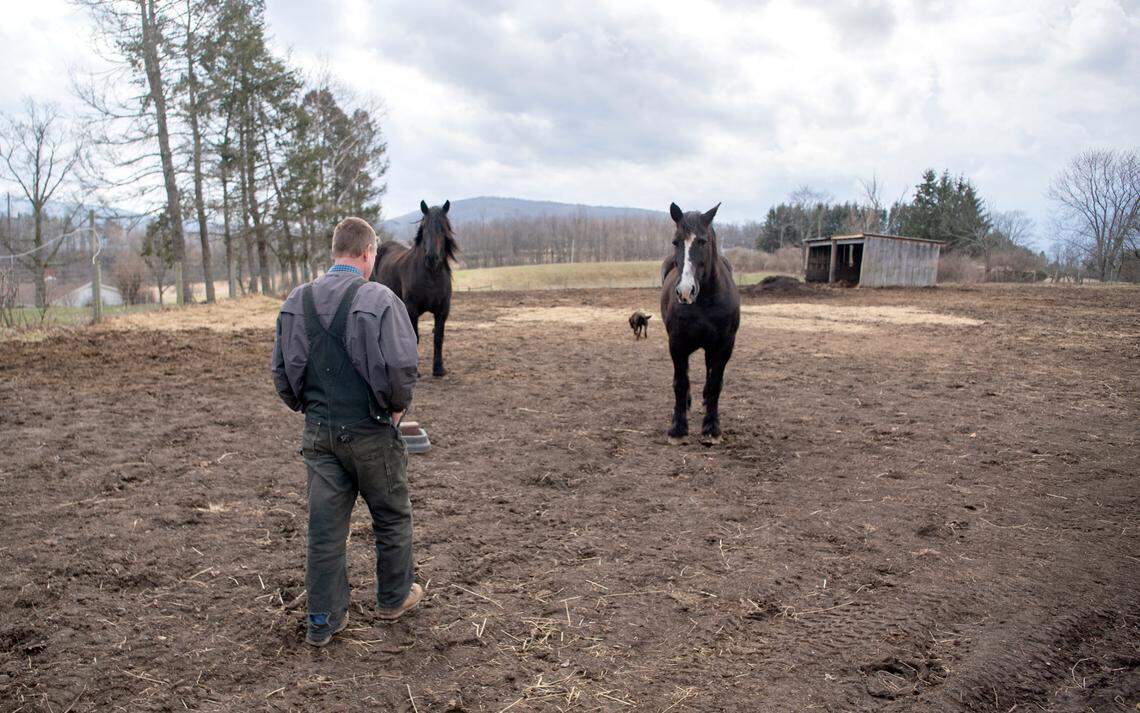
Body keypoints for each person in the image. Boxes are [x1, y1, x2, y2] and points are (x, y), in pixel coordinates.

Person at [271, 217, 423, 647]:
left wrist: (311, 409)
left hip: (319, 435)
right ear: (368, 253)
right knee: (391, 515)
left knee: (324, 528)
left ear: (335, 252)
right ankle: (393, 599)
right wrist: (395, 410)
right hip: (372, 431)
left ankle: (322, 619)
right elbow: (400, 367)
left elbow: (282, 373)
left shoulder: (296, 301)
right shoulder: (379, 299)